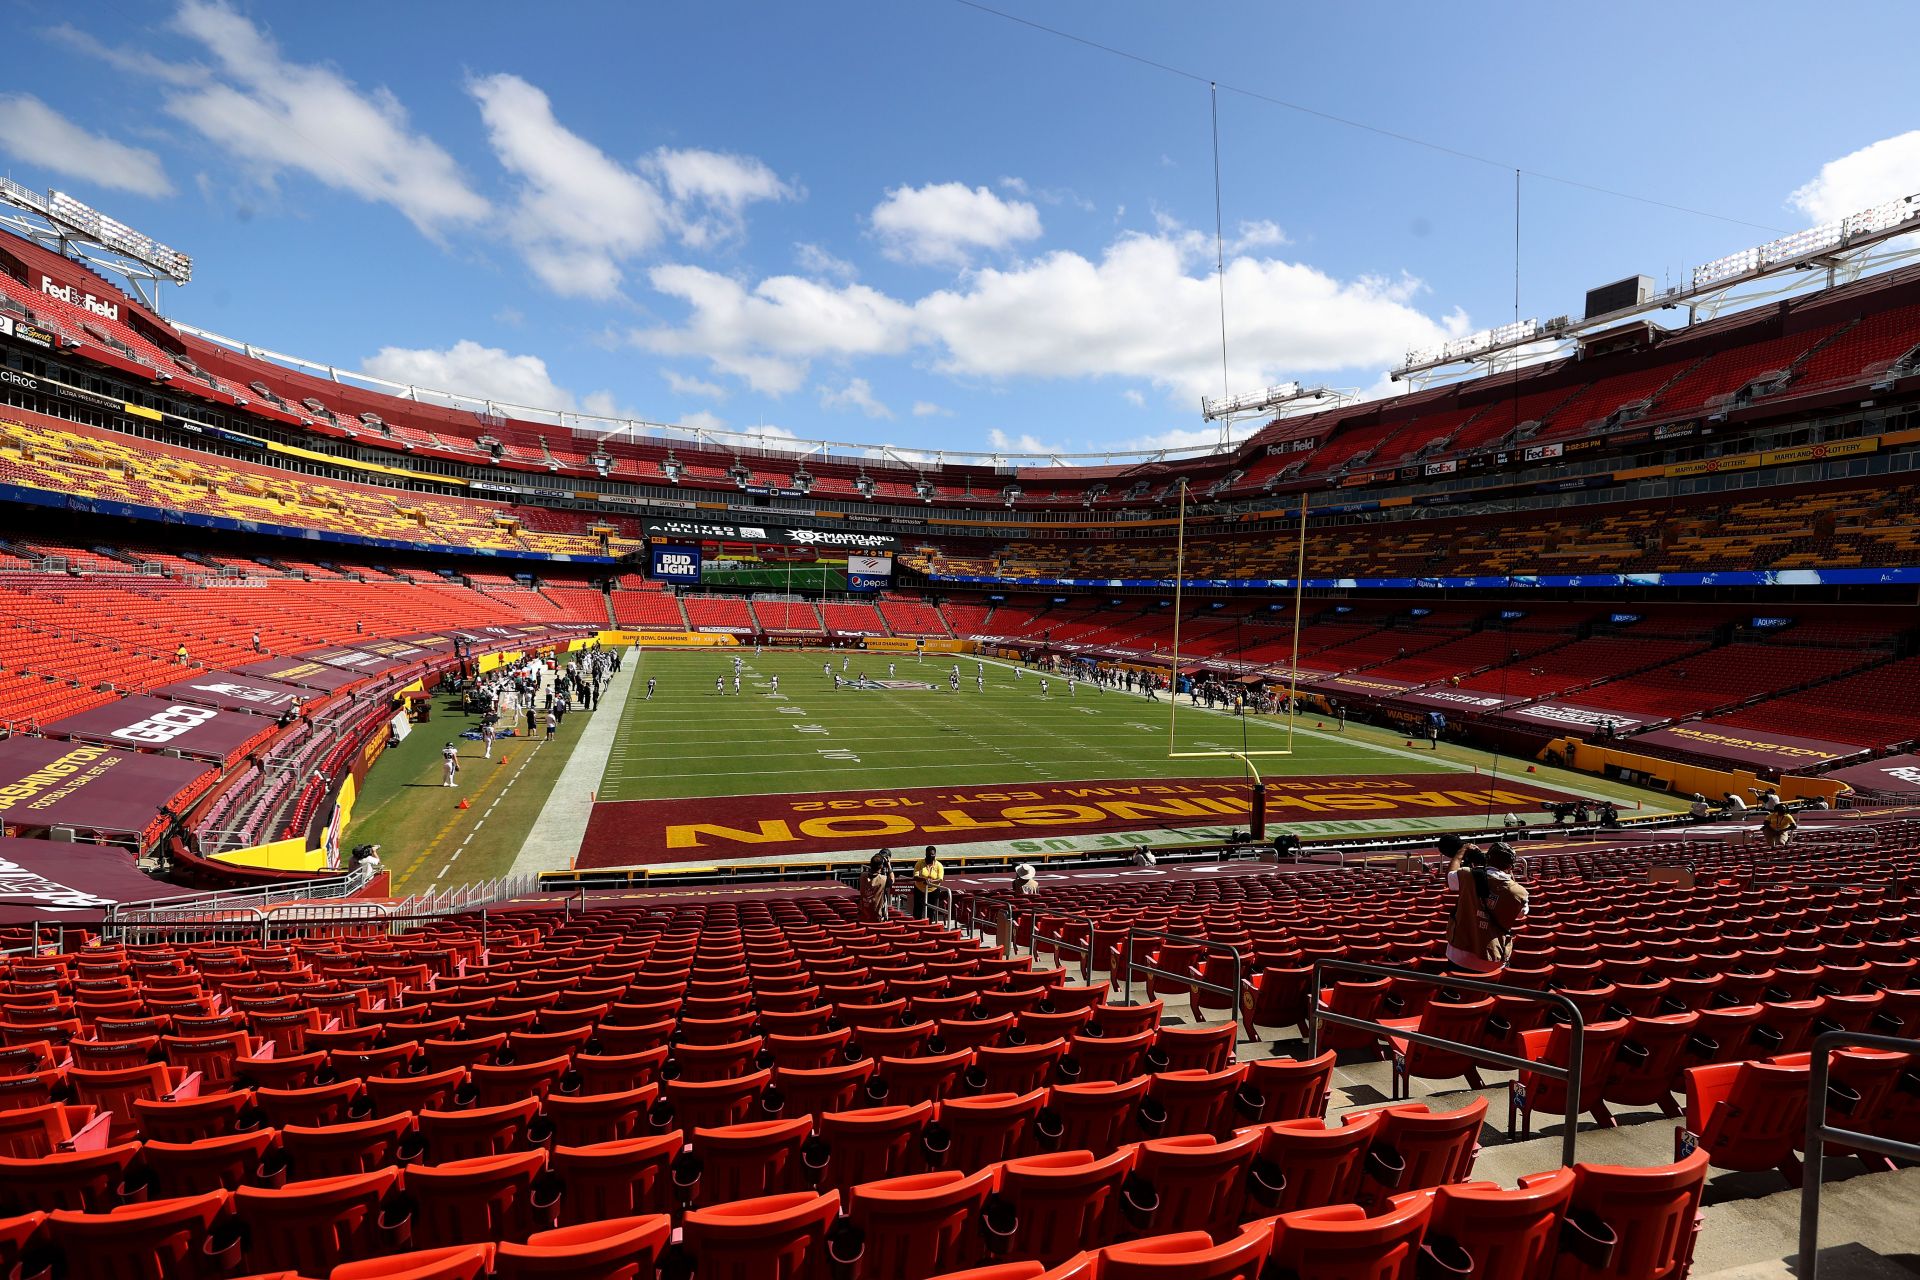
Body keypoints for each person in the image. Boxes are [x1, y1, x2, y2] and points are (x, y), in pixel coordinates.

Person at [1442, 835, 1529, 973]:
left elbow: (1450, 877)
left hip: (1460, 953)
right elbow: (1520, 915)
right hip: (1493, 958)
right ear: (1510, 866)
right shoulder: (1519, 893)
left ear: (1488, 858)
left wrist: (1461, 851)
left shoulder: (1467, 875)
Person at [859, 851, 894, 921]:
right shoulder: (883, 879)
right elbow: (892, 880)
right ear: (881, 866)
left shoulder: (862, 875)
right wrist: (889, 865)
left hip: (863, 913)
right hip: (878, 915)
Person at [911, 847, 945, 918]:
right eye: (929, 854)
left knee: (931, 911)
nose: (931, 856)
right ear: (926, 854)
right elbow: (915, 877)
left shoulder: (939, 865)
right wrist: (924, 879)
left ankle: (929, 925)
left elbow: (940, 879)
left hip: (933, 890)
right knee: (917, 910)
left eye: (933, 855)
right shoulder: (919, 863)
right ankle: (917, 925)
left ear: (935, 854)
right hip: (920, 890)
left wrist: (931, 881)